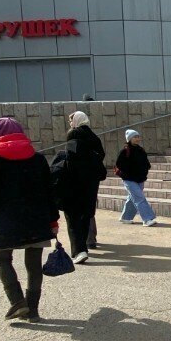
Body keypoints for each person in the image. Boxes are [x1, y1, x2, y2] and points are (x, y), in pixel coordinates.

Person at [0, 117, 58, 323]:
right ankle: (33, 310)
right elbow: (50, 191)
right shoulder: (37, 158)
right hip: (37, 220)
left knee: (2, 260)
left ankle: (18, 302)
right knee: (34, 265)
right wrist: (53, 220)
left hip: (5, 222)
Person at [64, 111, 106, 263]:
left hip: (76, 181)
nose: (70, 123)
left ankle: (79, 250)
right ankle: (88, 241)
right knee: (87, 213)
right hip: (91, 181)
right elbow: (101, 154)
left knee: (73, 216)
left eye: (71, 120)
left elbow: (70, 157)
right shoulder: (94, 137)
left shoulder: (74, 134)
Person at [116, 129, 157, 226]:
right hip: (129, 179)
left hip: (140, 179)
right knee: (140, 198)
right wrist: (128, 172)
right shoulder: (125, 151)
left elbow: (146, 163)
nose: (137, 139)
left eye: (138, 137)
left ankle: (126, 217)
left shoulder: (141, 150)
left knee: (133, 198)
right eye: (135, 137)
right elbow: (119, 164)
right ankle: (147, 219)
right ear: (129, 139)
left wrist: (145, 170)